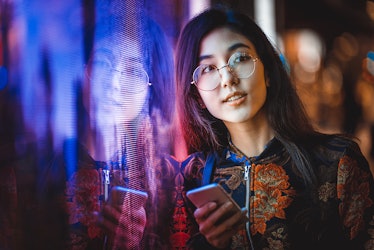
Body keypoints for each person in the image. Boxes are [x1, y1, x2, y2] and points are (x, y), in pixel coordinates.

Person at [175, 7, 374, 250]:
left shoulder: (338, 164)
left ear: (268, 72)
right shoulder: (190, 179)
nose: (228, 79)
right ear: (196, 95)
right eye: (208, 68)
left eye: (240, 58)